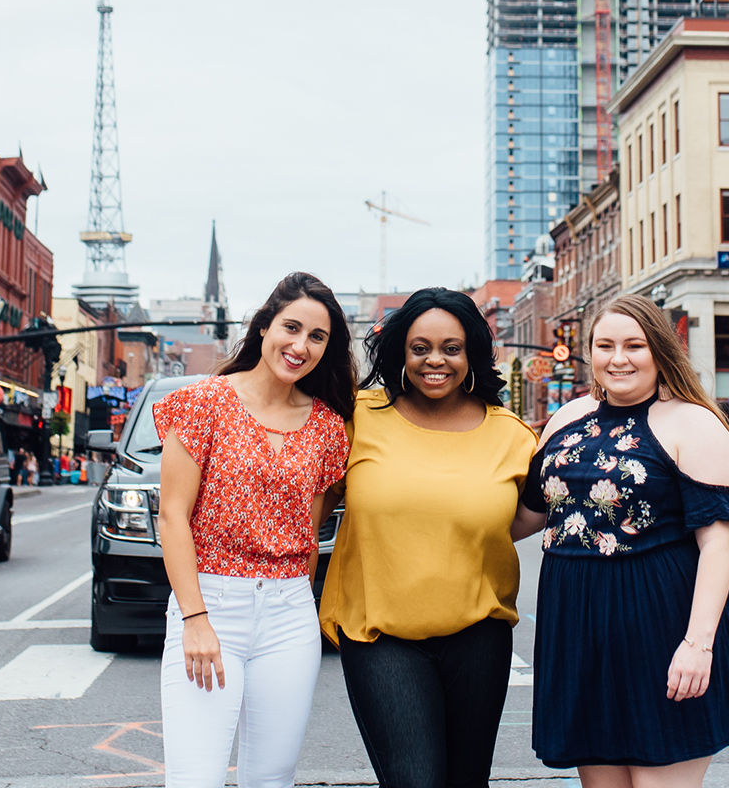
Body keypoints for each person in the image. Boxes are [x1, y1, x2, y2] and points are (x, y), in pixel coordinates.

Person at [512, 294, 729, 786]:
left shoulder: (694, 422)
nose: (618, 358)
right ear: (588, 352)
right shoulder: (567, 418)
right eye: (605, 345)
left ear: (659, 350)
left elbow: (717, 544)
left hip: (663, 624)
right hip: (578, 629)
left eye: (634, 345)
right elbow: (527, 515)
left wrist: (697, 645)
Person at [319, 287, 537, 788]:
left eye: (451, 348)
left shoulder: (513, 435)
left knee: (467, 781)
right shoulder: (358, 417)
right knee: (415, 780)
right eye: (420, 348)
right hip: (379, 635)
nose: (434, 361)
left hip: (479, 636)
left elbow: (536, 512)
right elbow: (305, 499)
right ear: (401, 352)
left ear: (472, 354)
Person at [154, 271, 355, 788]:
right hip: (211, 603)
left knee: (272, 777)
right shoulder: (203, 403)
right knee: (195, 778)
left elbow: (310, 534)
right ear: (264, 325)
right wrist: (194, 620)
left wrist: (301, 604)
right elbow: (173, 516)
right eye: (291, 327)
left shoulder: (329, 427)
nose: (300, 346)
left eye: (317, 337)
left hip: (289, 616)